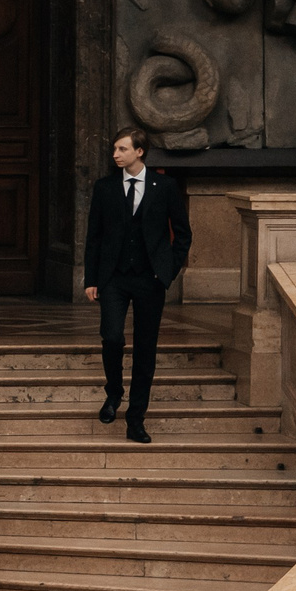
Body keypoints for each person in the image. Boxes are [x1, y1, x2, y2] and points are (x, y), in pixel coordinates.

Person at [83, 128, 192, 444]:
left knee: (146, 349)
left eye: (121, 149)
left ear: (139, 151)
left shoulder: (166, 187)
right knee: (112, 335)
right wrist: (92, 279)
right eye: (114, 149)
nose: (115, 154)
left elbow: (183, 234)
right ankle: (114, 392)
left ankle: (136, 419)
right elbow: (94, 237)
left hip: (150, 278)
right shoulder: (105, 188)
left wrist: (167, 271)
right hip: (113, 277)